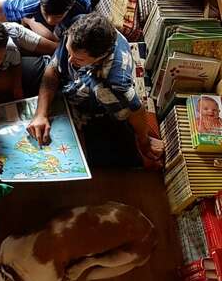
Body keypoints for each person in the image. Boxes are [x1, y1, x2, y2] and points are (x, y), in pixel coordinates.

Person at [26, 12, 163, 168]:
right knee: (24, 71)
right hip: (72, 83)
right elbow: (54, 68)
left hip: (98, 106)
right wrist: (40, 113)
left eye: (78, 59)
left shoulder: (113, 84)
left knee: (106, 160)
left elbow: (136, 110)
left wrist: (144, 140)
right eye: (69, 51)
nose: (70, 60)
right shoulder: (80, 26)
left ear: (101, 56)